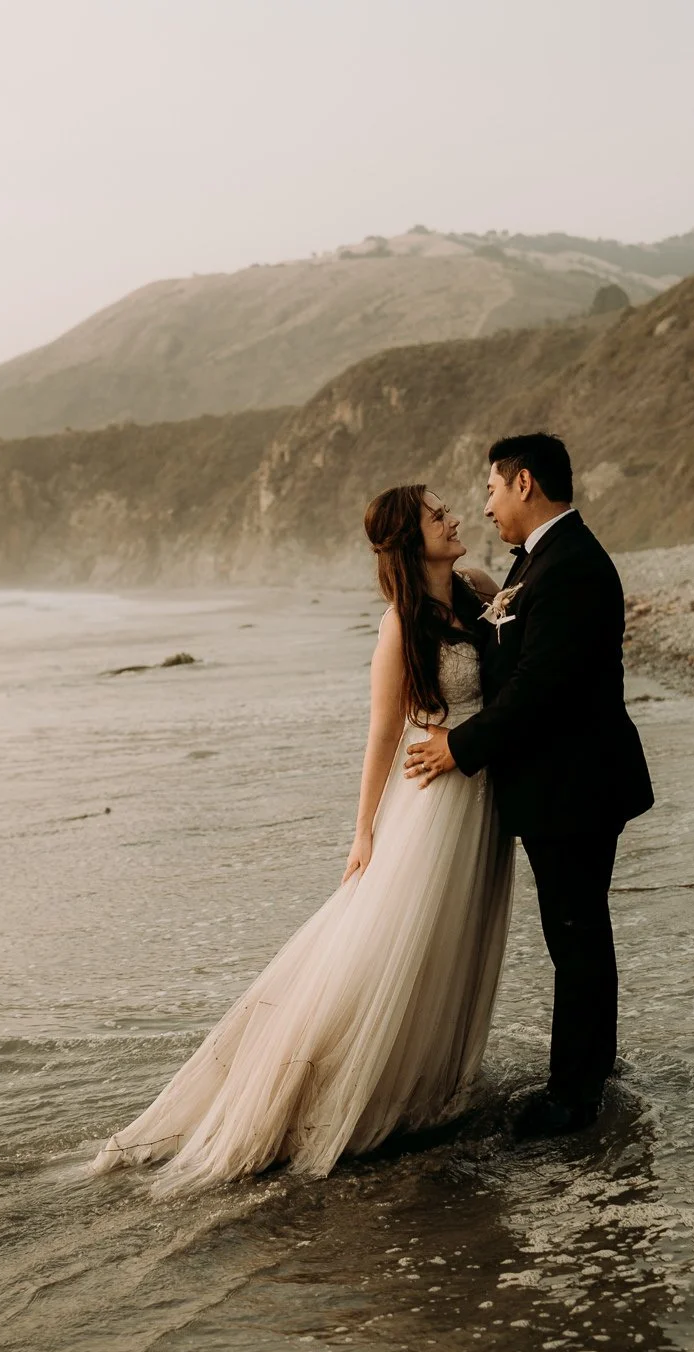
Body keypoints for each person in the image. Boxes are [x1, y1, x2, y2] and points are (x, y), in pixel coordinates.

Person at [87, 485, 513, 1193]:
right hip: (433, 801)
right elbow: (382, 732)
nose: (456, 518)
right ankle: (339, 1092)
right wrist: (364, 831)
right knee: (394, 944)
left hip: (480, 792)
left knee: (455, 941)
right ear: (414, 540)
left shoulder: (477, 589)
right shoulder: (399, 626)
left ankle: (428, 1082)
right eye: (439, 516)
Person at [404, 433, 654, 1140]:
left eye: (489, 488)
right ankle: (589, 1071)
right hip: (562, 783)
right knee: (575, 931)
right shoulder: (538, 562)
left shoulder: (571, 566)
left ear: (523, 483)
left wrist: (460, 746)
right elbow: (509, 657)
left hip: (575, 784)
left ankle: (571, 1098)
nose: (483, 504)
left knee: (575, 934)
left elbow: (541, 688)